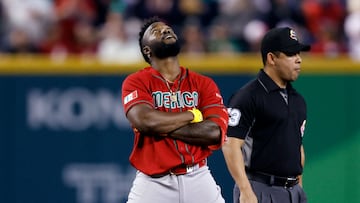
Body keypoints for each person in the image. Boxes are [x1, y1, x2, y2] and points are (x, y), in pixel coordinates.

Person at [121, 16, 228, 203]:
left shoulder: (203, 83)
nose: (166, 30)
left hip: (198, 177)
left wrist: (161, 126)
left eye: (168, 28)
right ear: (147, 50)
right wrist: (192, 114)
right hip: (153, 183)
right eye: (156, 31)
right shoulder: (136, 82)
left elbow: (214, 132)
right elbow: (146, 121)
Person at [222, 27, 311, 203]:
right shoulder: (248, 96)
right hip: (260, 188)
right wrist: (245, 190)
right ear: (271, 58)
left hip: (293, 191)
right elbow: (230, 146)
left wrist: (299, 186)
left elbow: (297, 147)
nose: (299, 60)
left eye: (299, 54)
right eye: (291, 54)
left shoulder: (297, 100)